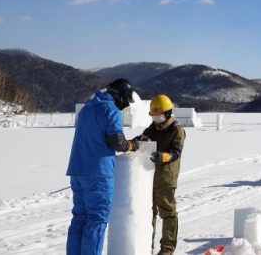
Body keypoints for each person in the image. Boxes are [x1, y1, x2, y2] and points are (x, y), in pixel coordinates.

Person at [66, 78, 139, 255]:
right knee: (96, 221)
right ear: (120, 96)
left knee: (79, 220)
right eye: (126, 101)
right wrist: (132, 145)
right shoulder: (110, 110)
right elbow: (116, 142)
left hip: (77, 171)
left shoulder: (86, 109)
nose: (125, 105)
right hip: (99, 173)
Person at [134, 94, 186, 255]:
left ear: (168, 113)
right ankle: (146, 246)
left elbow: (176, 153)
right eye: (154, 116)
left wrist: (162, 156)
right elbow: (142, 140)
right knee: (149, 213)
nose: (156, 119)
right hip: (149, 177)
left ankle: (167, 249)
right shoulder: (152, 129)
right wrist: (138, 140)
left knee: (168, 213)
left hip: (166, 177)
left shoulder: (177, 130)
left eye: (159, 115)